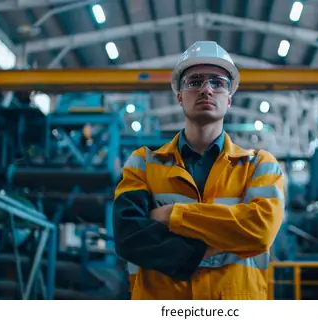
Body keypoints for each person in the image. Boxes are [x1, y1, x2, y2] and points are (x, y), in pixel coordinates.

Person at [112, 41, 285, 300]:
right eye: (194, 82)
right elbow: (129, 237)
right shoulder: (142, 164)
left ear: (229, 98)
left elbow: (259, 232)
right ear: (179, 96)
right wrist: (213, 245)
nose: (206, 89)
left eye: (217, 82)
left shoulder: (259, 165)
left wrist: (173, 215)